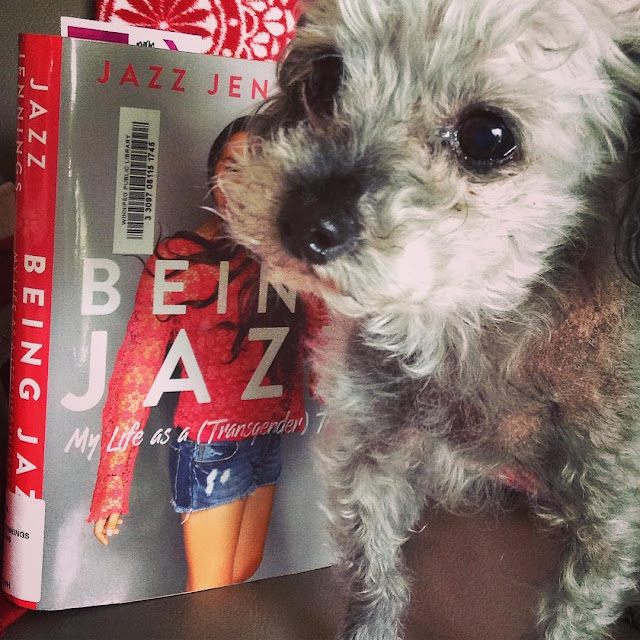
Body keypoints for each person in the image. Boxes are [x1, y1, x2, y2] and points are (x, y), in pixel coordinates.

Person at [88, 118, 310, 590]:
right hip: (211, 445)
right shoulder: (180, 256)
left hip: (266, 433)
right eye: (232, 166)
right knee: (210, 592)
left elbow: (324, 335)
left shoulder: (285, 254)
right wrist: (112, 481)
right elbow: (137, 368)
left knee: (243, 570)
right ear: (212, 175)